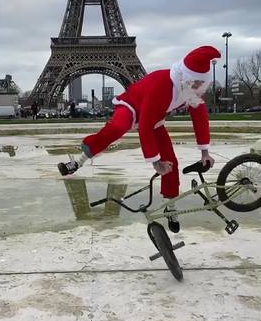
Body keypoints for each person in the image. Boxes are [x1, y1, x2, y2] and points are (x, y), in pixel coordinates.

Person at [57, 46, 221, 233]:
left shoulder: (190, 91)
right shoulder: (162, 85)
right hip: (132, 106)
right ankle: (78, 162)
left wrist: (205, 152)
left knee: (171, 160)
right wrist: (155, 162)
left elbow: (200, 119)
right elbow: (144, 125)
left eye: (202, 84)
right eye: (196, 83)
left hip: (155, 118)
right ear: (185, 77)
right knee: (117, 128)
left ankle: (170, 205)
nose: (199, 88)